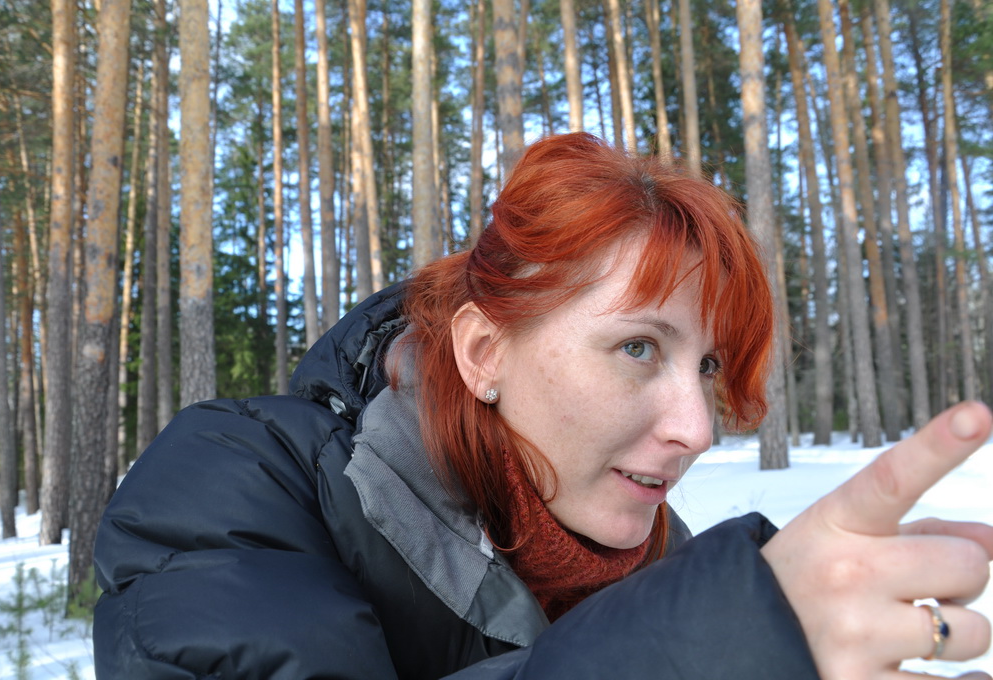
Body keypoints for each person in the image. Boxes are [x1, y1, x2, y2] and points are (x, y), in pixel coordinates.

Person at [93, 132, 993, 680]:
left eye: (708, 366)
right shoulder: (241, 486)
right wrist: (713, 647)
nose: (696, 428)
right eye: (638, 347)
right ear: (485, 353)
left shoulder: (671, 569)